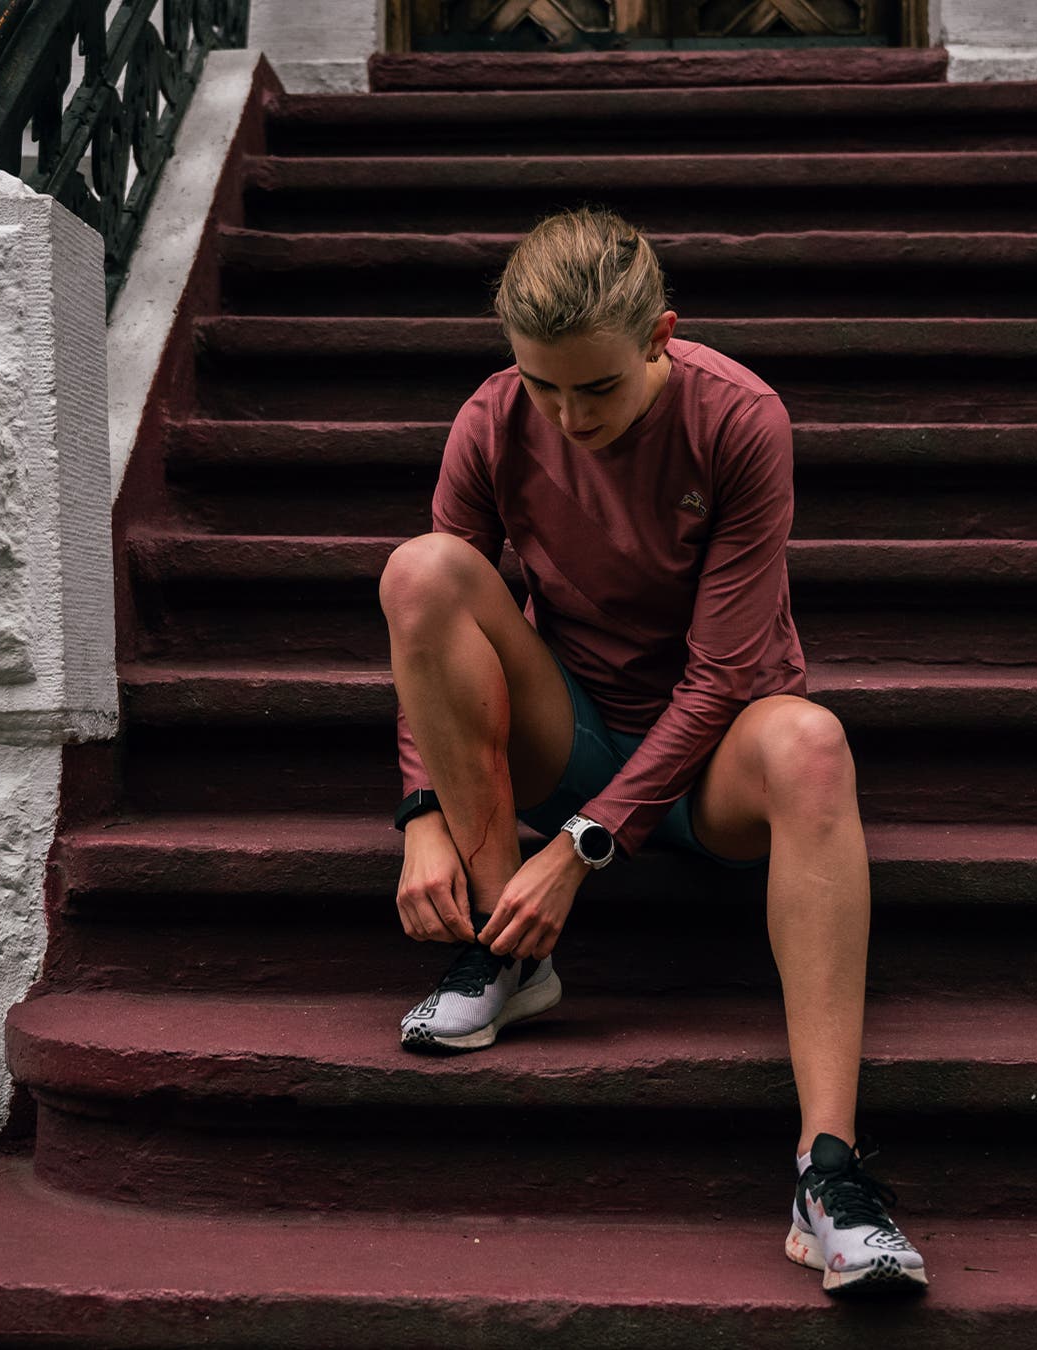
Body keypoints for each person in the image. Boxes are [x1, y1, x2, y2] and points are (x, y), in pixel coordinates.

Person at [379, 205, 928, 1296]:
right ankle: (512, 955)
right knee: (422, 569)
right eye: (543, 385)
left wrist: (580, 847)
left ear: (660, 336)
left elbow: (724, 673)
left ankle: (831, 1176)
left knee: (814, 743)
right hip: (571, 722)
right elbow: (427, 640)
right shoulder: (493, 420)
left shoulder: (740, 419)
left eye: (598, 388)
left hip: (719, 748)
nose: (569, 416)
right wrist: (422, 816)